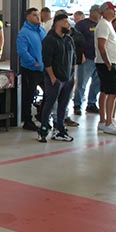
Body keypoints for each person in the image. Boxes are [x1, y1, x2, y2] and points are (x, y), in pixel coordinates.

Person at [38, 13, 76, 143]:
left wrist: (72, 76)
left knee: (63, 106)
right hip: (55, 79)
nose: (68, 24)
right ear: (58, 23)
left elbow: (73, 59)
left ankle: (59, 129)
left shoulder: (69, 39)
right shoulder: (50, 40)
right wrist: (52, 77)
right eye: (65, 22)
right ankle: (43, 130)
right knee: (49, 104)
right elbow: (47, 61)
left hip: (68, 78)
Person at [95, 2, 116, 136]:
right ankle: (108, 123)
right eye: (112, 9)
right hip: (108, 63)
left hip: (108, 62)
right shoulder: (103, 25)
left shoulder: (106, 24)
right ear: (105, 11)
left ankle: (104, 120)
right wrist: (107, 62)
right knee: (113, 92)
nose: (114, 12)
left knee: (105, 91)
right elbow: (102, 46)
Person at [17, 7, 46, 131]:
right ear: (28, 17)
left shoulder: (42, 31)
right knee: (28, 96)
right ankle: (27, 120)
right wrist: (34, 63)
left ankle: (41, 115)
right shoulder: (24, 33)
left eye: (38, 15)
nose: (38, 17)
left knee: (49, 93)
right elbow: (22, 51)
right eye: (34, 15)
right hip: (30, 69)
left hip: (44, 69)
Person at [73, 5, 102, 115]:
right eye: (98, 12)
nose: (100, 15)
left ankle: (91, 103)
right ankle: (77, 104)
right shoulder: (82, 25)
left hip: (98, 58)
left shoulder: (101, 24)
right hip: (86, 59)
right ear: (92, 12)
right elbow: (76, 41)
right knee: (81, 83)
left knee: (97, 83)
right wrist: (81, 55)